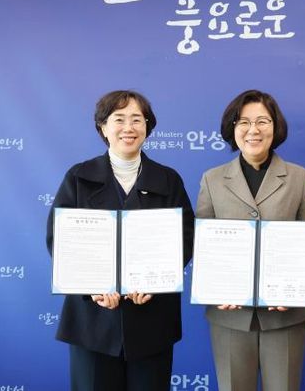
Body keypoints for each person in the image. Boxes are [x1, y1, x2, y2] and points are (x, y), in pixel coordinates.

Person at [46, 90, 194, 391]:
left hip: (152, 320)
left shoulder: (168, 180)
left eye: (137, 119)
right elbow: (59, 239)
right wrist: (92, 287)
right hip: (93, 323)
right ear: (103, 127)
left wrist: (155, 281)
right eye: (119, 119)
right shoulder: (79, 177)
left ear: (147, 127)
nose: (129, 127)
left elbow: (186, 237)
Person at [196, 89, 305, 391]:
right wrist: (215, 286)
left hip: (285, 314)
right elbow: (203, 244)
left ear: (275, 127)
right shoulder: (212, 179)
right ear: (232, 129)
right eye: (244, 122)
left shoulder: (300, 178)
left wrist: (293, 289)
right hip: (230, 315)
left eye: (262, 121)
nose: (253, 130)